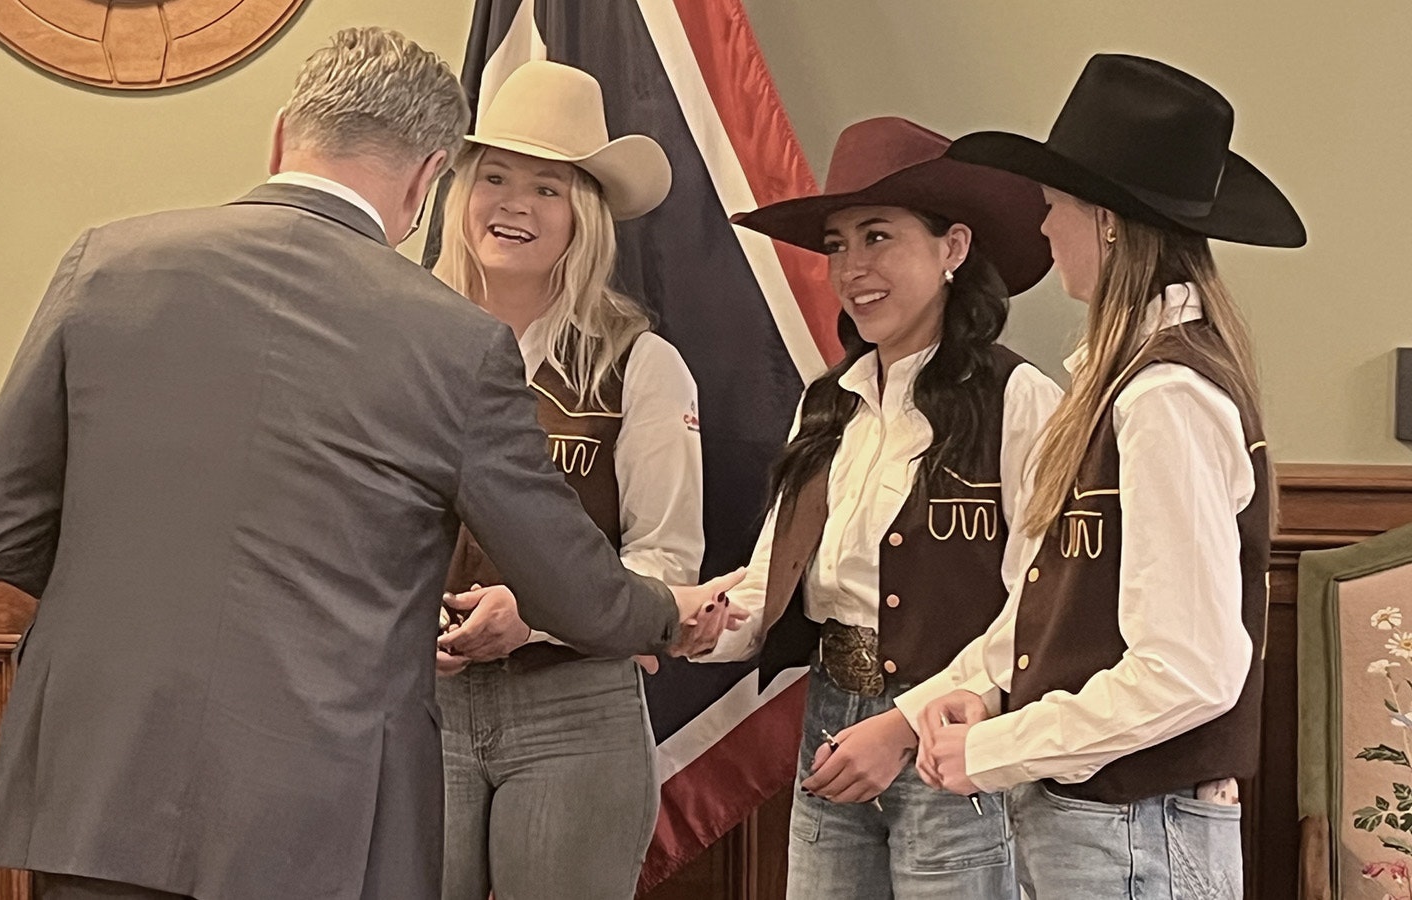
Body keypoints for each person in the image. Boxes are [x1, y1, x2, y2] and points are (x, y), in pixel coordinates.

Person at [0, 28, 741, 900]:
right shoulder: (452, 342)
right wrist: (670, 619)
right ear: (429, 177)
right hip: (317, 801)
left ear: (283, 135)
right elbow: (574, 587)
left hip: (96, 777)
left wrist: (127, 609)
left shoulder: (103, 264)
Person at [894, 54, 1306, 897]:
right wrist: (988, 694)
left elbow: (1189, 668)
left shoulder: (1164, 396)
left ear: (1109, 223)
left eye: (1054, 210)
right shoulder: (1128, 384)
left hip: (1132, 834)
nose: (1045, 232)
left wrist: (998, 748)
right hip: (1113, 832)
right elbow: (1068, 606)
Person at [700, 116, 1061, 899]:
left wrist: (903, 727)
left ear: (953, 248)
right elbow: (770, 584)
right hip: (832, 721)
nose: (852, 268)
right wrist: (680, 621)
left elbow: (1040, 610)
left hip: (956, 739)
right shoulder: (829, 405)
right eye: (837, 245)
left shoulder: (1020, 401)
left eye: (877, 237)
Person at [425, 59, 720, 900]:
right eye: (495, 177)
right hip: (417, 702)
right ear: (461, 193)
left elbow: (669, 564)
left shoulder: (642, 366)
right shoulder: (405, 347)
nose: (514, 204)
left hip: (576, 706)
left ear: (583, 216)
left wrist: (538, 615)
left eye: (547, 188)